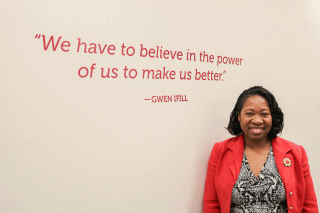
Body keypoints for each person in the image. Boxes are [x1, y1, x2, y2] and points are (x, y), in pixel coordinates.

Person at [203, 86, 318, 213]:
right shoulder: (220, 151)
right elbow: (211, 205)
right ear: (239, 116)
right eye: (249, 113)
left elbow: (309, 206)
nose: (257, 120)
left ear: (272, 117)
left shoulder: (295, 152)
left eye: (264, 114)